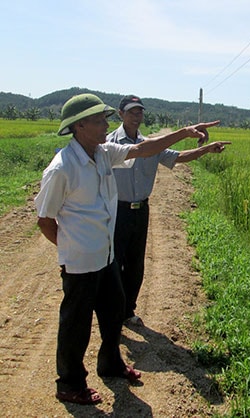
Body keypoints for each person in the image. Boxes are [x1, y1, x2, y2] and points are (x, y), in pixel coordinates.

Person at [34, 93, 229, 405]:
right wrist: (71, 247)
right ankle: (69, 383)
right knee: (76, 324)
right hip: (81, 261)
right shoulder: (63, 167)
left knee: (114, 312)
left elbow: (142, 149)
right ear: (81, 125)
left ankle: (110, 363)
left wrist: (185, 132)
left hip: (105, 255)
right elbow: (44, 219)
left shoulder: (102, 153)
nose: (106, 125)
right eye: (99, 120)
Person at [107, 95, 229, 326]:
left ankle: (127, 311)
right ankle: (111, 312)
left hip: (140, 210)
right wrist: (184, 131)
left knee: (135, 264)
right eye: (131, 111)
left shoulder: (153, 145)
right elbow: (141, 151)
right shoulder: (109, 143)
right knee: (113, 263)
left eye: (139, 112)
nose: (136, 116)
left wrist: (206, 150)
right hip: (116, 211)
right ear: (120, 114)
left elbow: (177, 157)